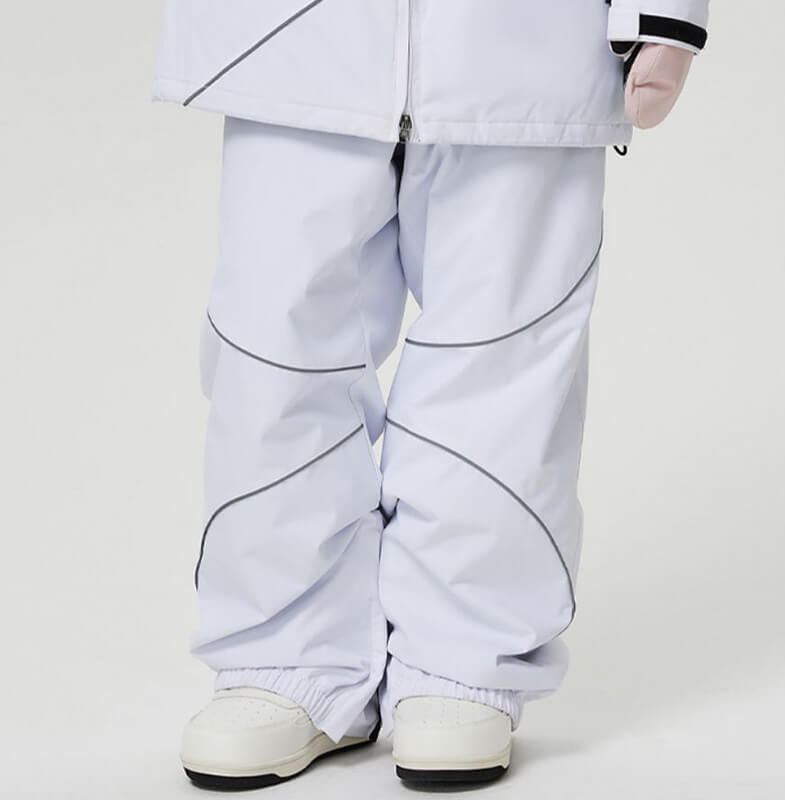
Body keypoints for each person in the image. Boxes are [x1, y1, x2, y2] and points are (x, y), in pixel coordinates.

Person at [153, 0, 710, 790]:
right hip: (286, 38)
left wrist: (668, 11)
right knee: (274, 347)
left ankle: (462, 657)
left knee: (504, 356)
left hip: (530, 43)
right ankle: (285, 655)